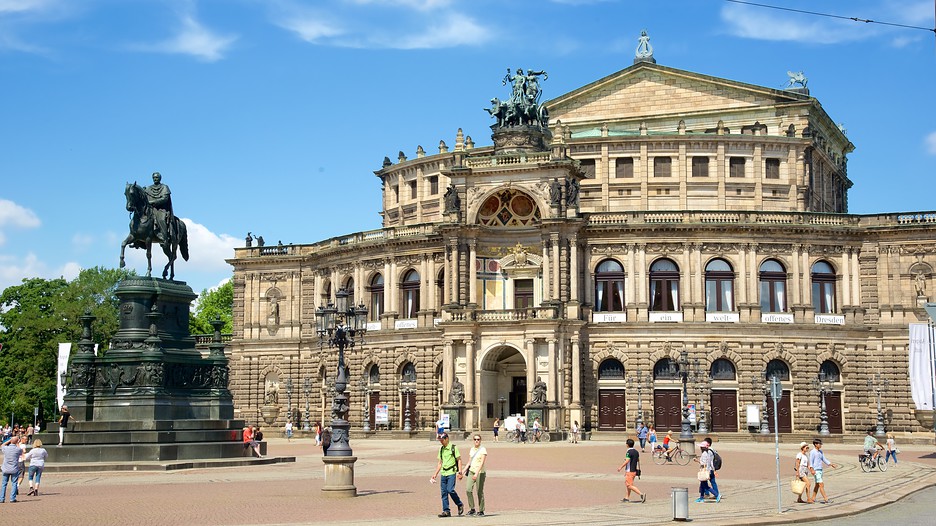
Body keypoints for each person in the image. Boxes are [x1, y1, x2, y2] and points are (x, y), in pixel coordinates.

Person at [430, 432, 464, 517]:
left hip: (451, 472)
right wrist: (435, 474)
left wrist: (460, 472)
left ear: (447, 439)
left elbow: (459, 460)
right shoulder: (441, 449)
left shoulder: (453, 448)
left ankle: (459, 504)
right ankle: (446, 510)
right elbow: (440, 463)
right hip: (443, 473)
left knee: (450, 490)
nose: (441, 442)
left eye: (442, 440)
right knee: (444, 492)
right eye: (440, 440)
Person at [144, 171, 174, 244]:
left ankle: (164, 237)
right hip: (151, 209)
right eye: (154, 177)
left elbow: (165, 199)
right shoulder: (148, 188)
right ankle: (139, 241)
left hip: (161, 209)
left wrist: (153, 202)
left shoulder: (164, 187)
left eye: (157, 177)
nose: (155, 179)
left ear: (160, 178)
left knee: (161, 219)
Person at [465, 434, 488, 517]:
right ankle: (472, 509)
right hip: (471, 471)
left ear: (480, 440)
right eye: (475, 439)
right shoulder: (472, 449)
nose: (476, 441)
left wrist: (476, 473)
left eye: (478, 439)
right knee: (468, 489)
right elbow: (469, 462)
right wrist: (462, 471)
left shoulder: (483, 450)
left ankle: (481, 510)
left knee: (479, 491)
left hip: (480, 473)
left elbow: (481, 463)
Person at [616, 438, 645, 503]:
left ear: (627, 445)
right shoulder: (636, 452)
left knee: (629, 485)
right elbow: (638, 460)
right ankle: (626, 497)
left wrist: (620, 467)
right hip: (634, 470)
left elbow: (627, 461)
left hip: (630, 471)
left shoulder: (629, 452)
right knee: (629, 484)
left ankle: (641, 494)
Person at [809, 439, 837, 504]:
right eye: (819, 444)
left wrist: (831, 464)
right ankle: (826, 499)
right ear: (815, 444)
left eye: (821, 444)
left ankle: (813, 498)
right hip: (816, 470)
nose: (820, 445)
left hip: (820, 469)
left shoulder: (820, 452)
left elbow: (824, 459)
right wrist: (812, 469)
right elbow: (811, 461)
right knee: (821, 484)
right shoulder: (812, 452)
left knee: (817, 485)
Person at [1, 436, 20, 503]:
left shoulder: (6, 448)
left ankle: (1, 498)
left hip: (6, 468)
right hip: (14, 468)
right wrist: (17, 442)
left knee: (4, 484)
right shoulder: (18, 449)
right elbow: (20, 450)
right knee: (14, 483)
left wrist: (9, 441)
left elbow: (2, 445)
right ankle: (12, 498)